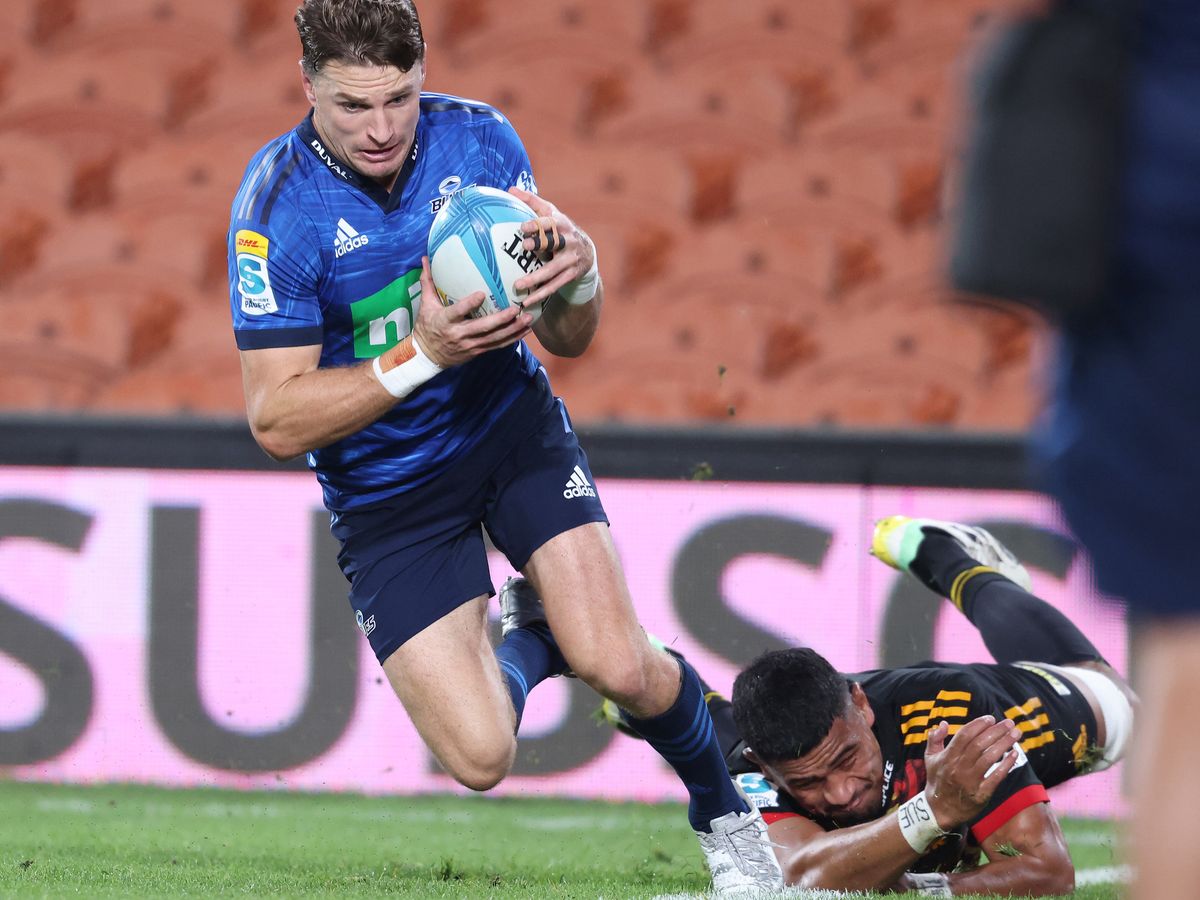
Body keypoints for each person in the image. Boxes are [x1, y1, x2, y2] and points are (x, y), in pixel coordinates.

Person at [224, 0, 782, 893]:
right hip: (387, 494)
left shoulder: (480, 142)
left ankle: (729, 819)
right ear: (307, 88)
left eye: (399, 99)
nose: (381, 129)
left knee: (620, 663)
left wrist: (584, 274)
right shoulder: (276, 211)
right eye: (352, 107)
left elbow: (567, 337)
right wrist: (423, 354)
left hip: (507, 432)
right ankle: (529, 635)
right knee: (482, 757)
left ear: (423, 74)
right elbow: (276, 422)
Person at [586, 516, 1138, 895]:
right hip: (784, 744)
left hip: (1037, 714)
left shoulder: (953, 712)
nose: (842, 793)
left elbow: (1049, 871)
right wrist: (935, 812)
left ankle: (948, 558)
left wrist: (917, 886)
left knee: (1116, 700)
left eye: (848, 758)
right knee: (728, 739)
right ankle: (648, 689)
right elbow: (799, 877)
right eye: (808, 784)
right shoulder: (758, 766)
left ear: (860, 704)